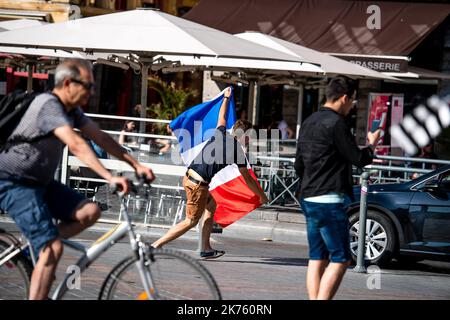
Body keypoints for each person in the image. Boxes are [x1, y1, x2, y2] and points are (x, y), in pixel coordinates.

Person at [0, 59, 155, 300]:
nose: (92, 92)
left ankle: (38, 251)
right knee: (53, 248)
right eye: (88, 86)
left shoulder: (72, 111)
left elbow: (100, 137)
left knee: (90, 212)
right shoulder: (48, 105)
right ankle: (44, 250)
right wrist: (109, 176)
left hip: (40, 183)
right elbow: (76, 143)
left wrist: (136, 164)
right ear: (68, 83)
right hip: (13, 181)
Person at [151, 87, 268, 258]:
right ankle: (155, 245)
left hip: (193, 178)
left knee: (211, 206)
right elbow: (248, 179)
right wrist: (261, 196)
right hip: (198, 184)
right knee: (190, 221)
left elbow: (222, 116)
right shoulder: (237, 151)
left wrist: (226, 99)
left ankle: (205, 248)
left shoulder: (220, 133)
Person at [294, 76, 381, 300]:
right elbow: (358, 158)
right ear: (344, 98)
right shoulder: (337, 123)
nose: (352, 106)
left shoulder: (308, 121)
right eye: (352, 101)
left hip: (308, 198)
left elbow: (299, 165)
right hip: (329, 200)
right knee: (341, 258)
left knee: (317, 257)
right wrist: (372, 144)